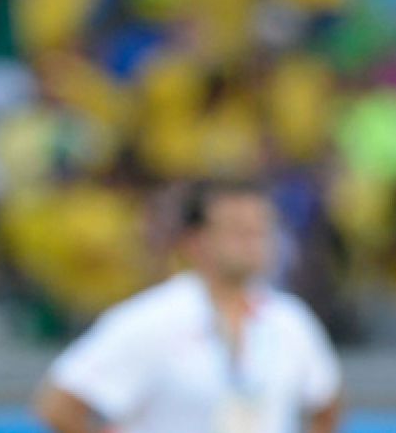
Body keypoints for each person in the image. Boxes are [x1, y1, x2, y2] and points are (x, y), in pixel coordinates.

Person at [35, 180, 342, 433]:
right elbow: (59, 404)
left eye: (260, 229)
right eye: (236, 229)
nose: (252, 241)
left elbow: (326, 401)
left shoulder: (290, 320)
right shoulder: (152, 318)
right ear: (196, 241)